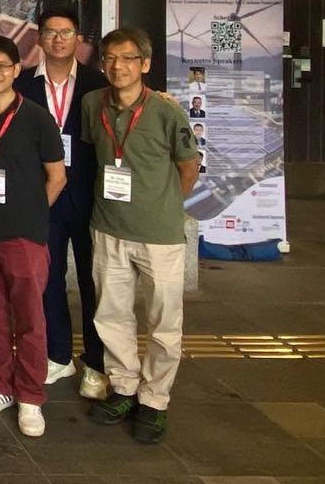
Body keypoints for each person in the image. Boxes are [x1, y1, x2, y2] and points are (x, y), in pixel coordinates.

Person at [84, 27, 200, 444]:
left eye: (128, 58)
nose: (118, 66)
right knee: (111, 315)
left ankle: (155, 399)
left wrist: (164, 206)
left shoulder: (167, 111)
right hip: (108, 227)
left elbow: (189, 166)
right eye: (110, 58)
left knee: (164, 321)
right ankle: (124, 387)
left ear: (145, 64)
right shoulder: (92, 103)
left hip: (159, 235)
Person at [0, 36, 66, 438]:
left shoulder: (37, 117)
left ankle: (31, 395)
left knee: (30, 318)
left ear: (17, 70)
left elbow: (57, 177)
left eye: (2, 66)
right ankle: (0, 384)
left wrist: (32, 213)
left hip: (23, 235)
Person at [13, 5, 110, 400]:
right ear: (39, 38)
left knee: (93, 281)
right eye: (50, 32)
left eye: (66, 32)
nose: (58, 39)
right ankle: (57, 354)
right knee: (47, 278)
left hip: (88, 197)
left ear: (78, 39)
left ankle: (97, 362)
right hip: (44, 195)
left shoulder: (98, 83)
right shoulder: (23, 84)